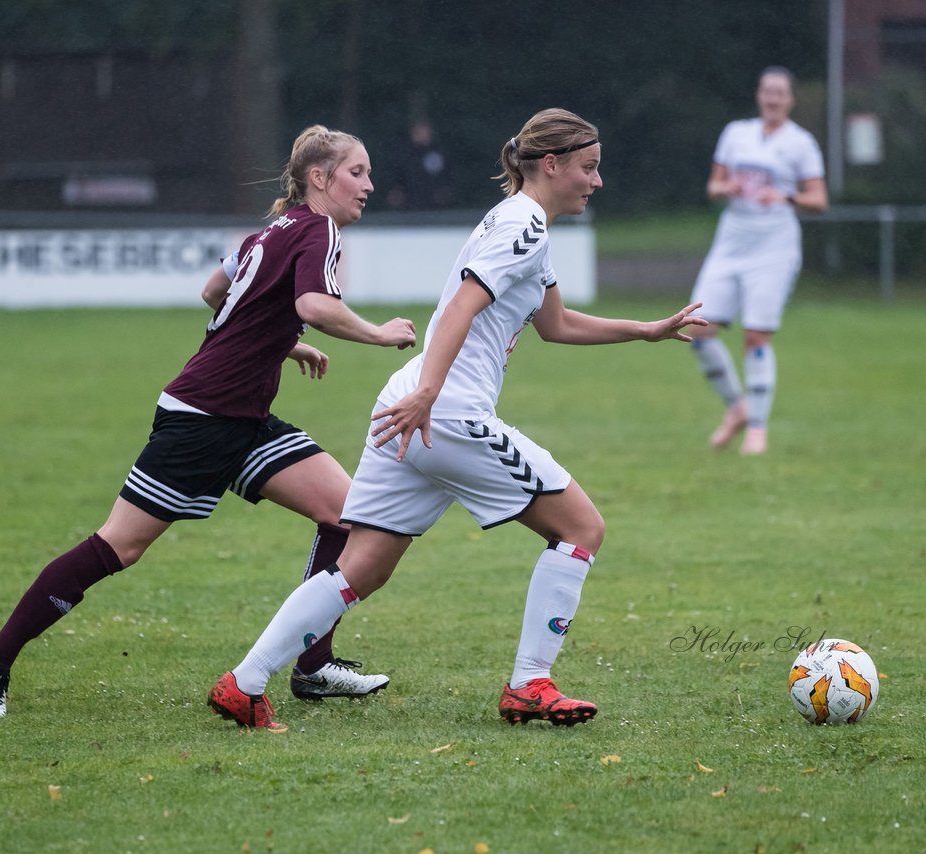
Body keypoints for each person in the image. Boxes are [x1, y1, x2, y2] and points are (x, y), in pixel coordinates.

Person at [207, 108, 707, 732]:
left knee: (362, 566)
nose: (596, 181)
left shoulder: (525, 227)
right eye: (589, 167)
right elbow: (460, 311)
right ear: (550, 165)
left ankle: (243, 683)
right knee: (582, 527)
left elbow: (555, 325)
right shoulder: (522, 225)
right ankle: (530, 684)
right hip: (441, 411)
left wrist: (647, 329)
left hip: (413, 403)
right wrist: (431, 396)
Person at [0, 125, 418, 718]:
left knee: (347, 513)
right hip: (202, 417)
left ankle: (313, 666)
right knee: (118, 547)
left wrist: (284, 344)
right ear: (320, 178)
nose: (369, 185)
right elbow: (312, 305)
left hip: (245, 415)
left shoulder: (269, 230)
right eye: (358, 173)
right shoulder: (319, 228)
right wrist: (376, 332)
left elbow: (215, 290)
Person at [688, 66, 828, 455]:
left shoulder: (800, 142)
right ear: (758, 95)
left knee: (756, 335)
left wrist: (785, 198)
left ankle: (758, 430)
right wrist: (725, 187)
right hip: (732, 241)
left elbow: (819, 199)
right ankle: (738, 408)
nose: (773, 99)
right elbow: (713, 186)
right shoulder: (736, 133)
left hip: (774, 246)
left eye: (781, 93)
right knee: (698, 330)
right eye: (768, 91)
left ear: (791, 99)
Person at [385, 119, 453, 210]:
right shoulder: (404, 155)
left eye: (425, 132)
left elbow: (446, 177)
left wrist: (444, 194)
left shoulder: (438, 154)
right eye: (419, 132)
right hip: (410, 205)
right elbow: (398, 178)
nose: (423, 136)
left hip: (435, 206)